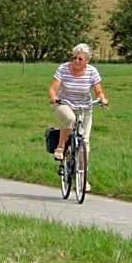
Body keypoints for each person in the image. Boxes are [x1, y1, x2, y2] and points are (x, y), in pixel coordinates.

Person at [47, 43, 108, 192]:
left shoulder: (92, 72)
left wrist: (102, 99)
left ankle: (82, 179)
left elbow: (99, 91)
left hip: (85, 108)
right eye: (74, 58)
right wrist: (54, 97)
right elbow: (53, 88)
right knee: (69, 119)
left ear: (86, 61)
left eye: (80, 59)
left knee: (84, 144)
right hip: (64, 104)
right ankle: (60, 147)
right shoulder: (63, 68)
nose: (76, 61)